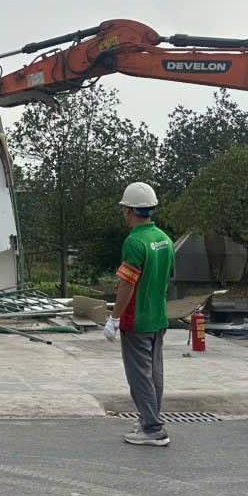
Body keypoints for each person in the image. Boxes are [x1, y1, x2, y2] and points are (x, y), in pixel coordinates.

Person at [110, 181, 175, 447]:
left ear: (130, 211)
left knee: (139, 375)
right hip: (158, 317)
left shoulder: (135, 242)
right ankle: (151, 418)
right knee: (155, 372)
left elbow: (127, 284)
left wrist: (114, 317)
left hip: (137, 319)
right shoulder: (164, 239)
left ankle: (152, 427)